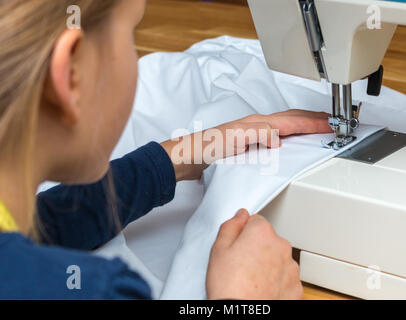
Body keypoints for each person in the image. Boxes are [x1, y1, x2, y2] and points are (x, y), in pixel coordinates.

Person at [0, 0, 332, 299]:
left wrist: (177, 158)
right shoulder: (106, 291)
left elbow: (45, 226)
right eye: (132, 35)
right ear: (70, 74)